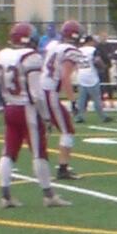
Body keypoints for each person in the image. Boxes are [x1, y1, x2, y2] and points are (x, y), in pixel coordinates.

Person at [0, 23, 71, 208]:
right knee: (39, 153)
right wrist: (46, 116)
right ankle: (49, 195)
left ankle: (5, 197)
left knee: (8, 151)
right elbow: (36, 94)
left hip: (10, 107)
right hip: (26, 109)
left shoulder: (3, 54)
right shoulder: (32, 57)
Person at [41, 20, 83, 179]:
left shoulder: (53, 46)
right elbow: (65, 77)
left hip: (41, 89)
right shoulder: (71, 51)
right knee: (67, 130)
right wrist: (73, 101)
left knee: (36, 129)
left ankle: (3, 160)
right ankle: (63, 168)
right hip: (49, 91)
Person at [73, 36, 110, 123]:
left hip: (81, 75)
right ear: (90, 41)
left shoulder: (78, 50)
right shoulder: (93, 50)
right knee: (96, 98)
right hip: (91, 76)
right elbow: (97, 60)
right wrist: (103, 67)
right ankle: (103, 116)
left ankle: (79, 116)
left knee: (82, 99)